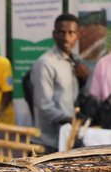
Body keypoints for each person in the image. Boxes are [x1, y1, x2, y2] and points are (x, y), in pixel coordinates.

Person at [30, 13, 88, 151]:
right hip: (48, 143)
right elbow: (44, 106)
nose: (66, 38)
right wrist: (70, 121)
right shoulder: (45, 63)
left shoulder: (76, 61)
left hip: (69, 140)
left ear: (77, 36)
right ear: (54, 34)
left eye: (71, 33)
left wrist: (83, 79)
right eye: (61, 33)